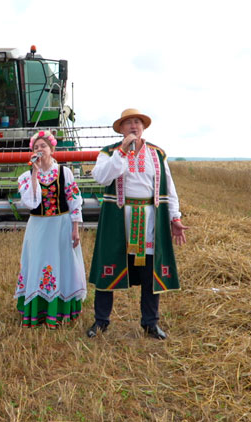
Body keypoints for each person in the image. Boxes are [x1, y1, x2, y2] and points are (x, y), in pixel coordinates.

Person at [87, 109, 188, 340]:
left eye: (137, 122)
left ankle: (150, 323)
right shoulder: (109, 152)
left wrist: (175, 217)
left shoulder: (157, 153)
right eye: (128, 123)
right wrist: (122, 152)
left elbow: (169, 188)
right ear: (121, 129)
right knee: (108, 270)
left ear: (143, 127)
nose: (134, 126)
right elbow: (102, 177)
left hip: (150, 220)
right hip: (118, 220)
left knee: (150, 273)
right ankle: (101, 321)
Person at [15, 130, 86, 328]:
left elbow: (74, 202)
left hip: (61, 225)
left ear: (52, 149)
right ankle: (37, 310)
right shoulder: (26, 176)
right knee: (38, 264)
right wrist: (35, 173)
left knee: (61, 264)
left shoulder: (65, 172)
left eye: (43, 146)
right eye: (36, 147)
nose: (40, 150)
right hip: (38, 226)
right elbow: (31, 203)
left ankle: (60, 310)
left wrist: (75, 228)